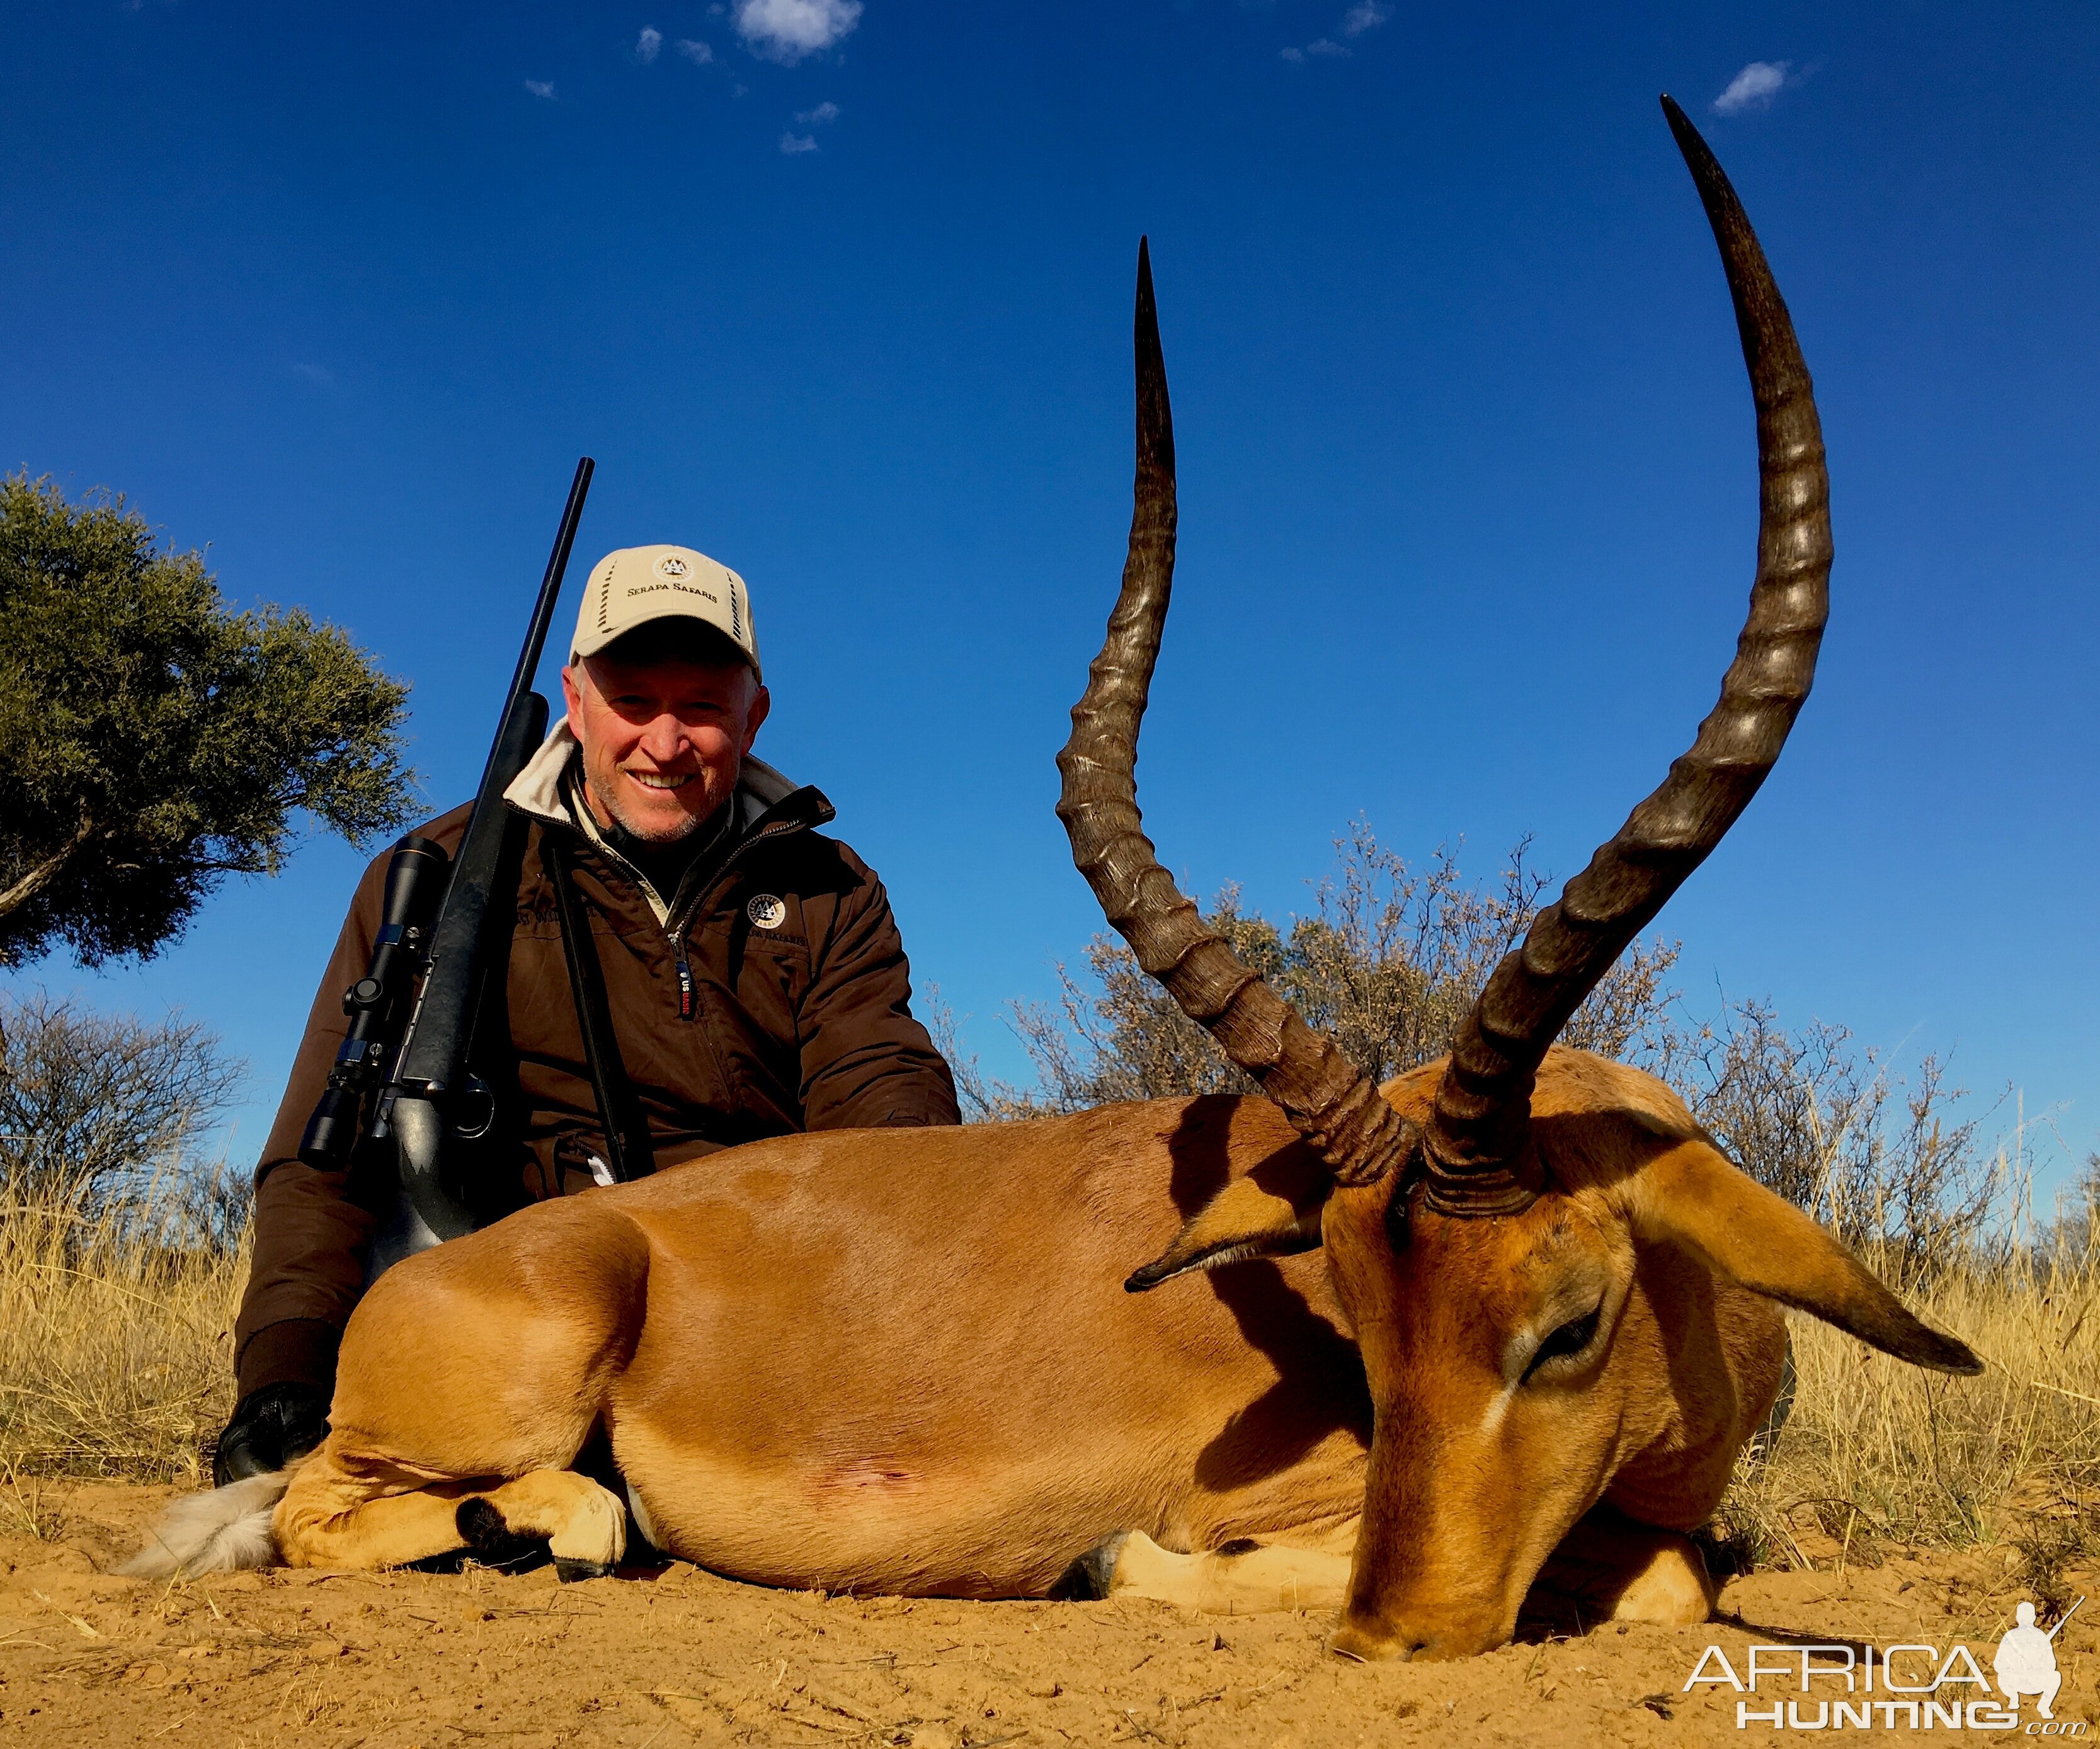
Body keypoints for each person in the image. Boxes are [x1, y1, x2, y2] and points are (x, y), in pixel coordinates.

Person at [215, 544, 959, 1481]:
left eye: (700, 707)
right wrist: (281, 1377)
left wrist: (925, 1265)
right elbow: (323, 1154)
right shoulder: (434, 875)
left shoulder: (826, 887)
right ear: (574, 700)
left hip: (751, 1312)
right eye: (634, 700)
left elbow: (880, 1086)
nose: (664, 741)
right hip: (527, 1310)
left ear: (753, 714)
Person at [1993, 1601, 2062, 1719]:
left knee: (2055, 1676)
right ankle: (2014, 1699)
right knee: (2055, 1677)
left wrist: (2036, 1666)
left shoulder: (2040, 1637)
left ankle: (2043, 1706)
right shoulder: (2013, 1636)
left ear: (2017, 1618)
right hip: (2017, 1680)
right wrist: (2017, 1666)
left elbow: (2051, 1664)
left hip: (2032, 1681)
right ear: (2034, 1618)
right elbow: (1999, 1664)